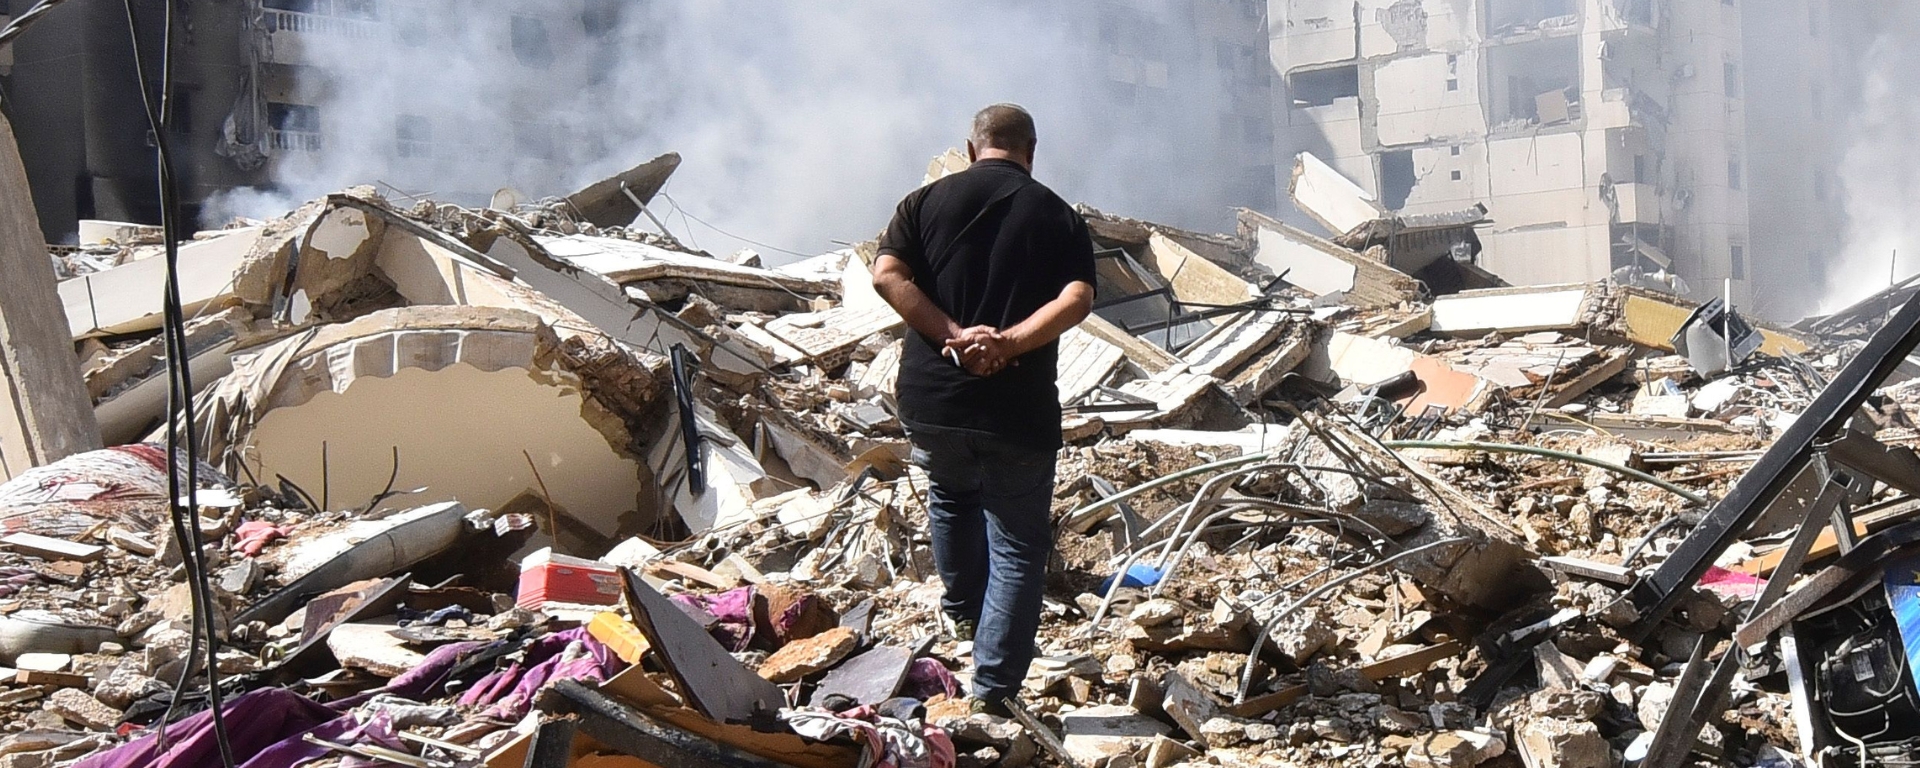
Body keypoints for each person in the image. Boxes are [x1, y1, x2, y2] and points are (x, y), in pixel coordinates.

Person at [870, 103, 1097, 714]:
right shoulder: (1056, 214)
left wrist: (951, 334)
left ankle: (966, 616)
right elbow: (1079, 297)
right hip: (1017, 413)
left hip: (932, 401)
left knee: (951, 498)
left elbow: (886, 274)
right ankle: (993, 690)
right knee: (1018, 545)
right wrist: (1008, 343)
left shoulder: (922, 204)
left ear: (972, 149)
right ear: (1031, 150)